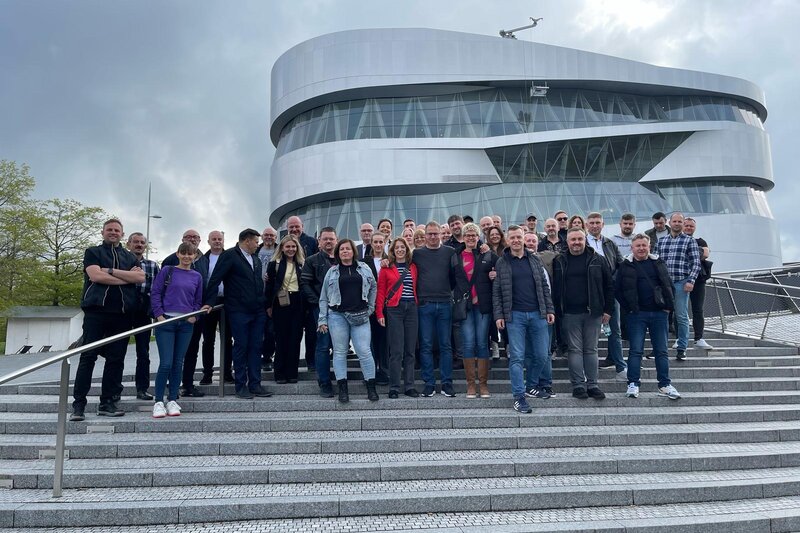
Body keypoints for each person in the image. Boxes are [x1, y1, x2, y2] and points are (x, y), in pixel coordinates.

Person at [71, 219, 144, 421]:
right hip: (96, 312)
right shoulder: (93, 252)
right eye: (109, 230)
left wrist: (109, 271)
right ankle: (78, 405)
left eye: (117, 230)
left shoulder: (129, 257)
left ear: (122, 234)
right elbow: (95, 276)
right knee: (88, 357)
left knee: (116, 360)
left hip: (121, 314)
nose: (113, 233)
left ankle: (108, 403)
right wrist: (124, 278)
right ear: (103, 232)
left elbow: (139, 278)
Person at [203, 229, 273, 399]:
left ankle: (255, 384)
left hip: (257, 310)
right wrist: (209, 302)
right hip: (238, 310)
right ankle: (241, 386)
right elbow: (215, 279)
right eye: (256, 242)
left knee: (256, 347)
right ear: (247, 241)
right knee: (241, 346)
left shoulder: (255, 259)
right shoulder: (229, 255)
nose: (258, 245)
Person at [492, 225, 555, 413]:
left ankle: (532, 385)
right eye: (512, 238)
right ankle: (519, 396)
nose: (516, 240)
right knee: (517, 357)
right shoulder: (502, 263)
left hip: (538, 314)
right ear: (508, 240)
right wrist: (499, 315)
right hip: (515, 316)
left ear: (524, 239)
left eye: (519, 237)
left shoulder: (534, 260)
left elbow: (544, 286)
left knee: (543, 354)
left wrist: (549, 309)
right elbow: (497, 292)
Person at [616, 234, 681, 400]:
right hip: (636, 315)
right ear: (632, 248)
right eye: (637, 245)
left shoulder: (658, 263)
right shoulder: (625, 266)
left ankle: (664, 384)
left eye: (644, 245)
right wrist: (629, 308)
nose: (641, 248)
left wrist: (668, 308)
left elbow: (668, 286)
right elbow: (617, 289)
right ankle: (633, 383)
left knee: (661, 351)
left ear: (649, 246)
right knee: (636, 350)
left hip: (659, 313)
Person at [552, 227, 614, 400]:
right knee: (575, 350)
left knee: (591, 349)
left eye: (579, 239)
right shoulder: (560, 260)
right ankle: (578, 385)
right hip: (569, 313)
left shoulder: (598, 259)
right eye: (573, 240)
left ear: (585, 240)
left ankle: (593, 385)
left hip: (593, 312)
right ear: (567, 242)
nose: (576, 243)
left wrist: (608, 310)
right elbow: (556, 288)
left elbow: (609, 286)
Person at [318, 239, 379, 403]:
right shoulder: (332, 272)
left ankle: (371, 387)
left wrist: (371, 307)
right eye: (342, 249)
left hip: (361, 316)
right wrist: (322, 319)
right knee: (339, 352)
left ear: (353, 251)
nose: (345, 251)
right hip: (337, 316)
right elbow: (324, 298)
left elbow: (374, 287)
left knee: (364, 351)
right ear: (338, 253)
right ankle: (342, 389)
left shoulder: (364, 268)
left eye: (348, 249)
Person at [150, 243, 203, 418]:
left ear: (195, 256)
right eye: (184, 253)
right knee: (166, 362)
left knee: (178, 363)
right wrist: (159, 315)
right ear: (178, 254)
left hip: (185, 323)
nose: (187, 256)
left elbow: (198, 299)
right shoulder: (168, 270)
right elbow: (156, 292)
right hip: (166, 321)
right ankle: (158, 401)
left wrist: (194, 316)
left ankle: (172, 399)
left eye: (191, 254)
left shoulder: (197, 276)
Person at [412, 221, 457, 397]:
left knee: (446, 345)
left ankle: (447, 383)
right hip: (425, 304)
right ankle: (429, 383)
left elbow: (454, 277)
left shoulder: (450, 252)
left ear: (440, 234)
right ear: (425, 236)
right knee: (426, 345)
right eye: (429, 234)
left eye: (435, 234)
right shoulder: (417, 254)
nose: (432, 237)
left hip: (445, 302)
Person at [454, 223, 497, 398]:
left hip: (482, 305)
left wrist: (494, 275)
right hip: (465, 306)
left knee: (481, 343)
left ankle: (484, 384)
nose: (471, 238)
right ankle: (471, 385)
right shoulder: (456, 255)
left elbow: (499, 268)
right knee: (468, 343)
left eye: (474, 235)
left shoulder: (487, 254)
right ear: (463, 237)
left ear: (478, 237)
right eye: (468, 235)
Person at [585, 212, 626, 381]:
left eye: (598, 222)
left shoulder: (610, 243)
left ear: (603, 224)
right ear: (587, 225)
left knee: (614, 330)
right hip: (588, 293)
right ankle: (588, 368)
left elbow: (620, 264)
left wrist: (612, 280)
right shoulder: (582, 242)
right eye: (592, 223)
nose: (595, 225)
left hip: (609, 290)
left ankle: (620, 365)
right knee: (589, 332)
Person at [376, 237, 418, 398]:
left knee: (410, 350)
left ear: (407, 250)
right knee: (396, 350)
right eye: (397, 248)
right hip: (394, 309)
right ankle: (394, 387)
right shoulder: (386, 268)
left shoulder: (413, 267)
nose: (400, 250)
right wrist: (379, 313)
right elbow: (380, 292)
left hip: (412, 309)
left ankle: (409, 386)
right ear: (392, 251)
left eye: (403, 247)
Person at [656, 212, 701, 361]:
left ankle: (682, 347)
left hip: (681, 282)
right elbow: (656, 262)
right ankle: (660, 347)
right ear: (669, 222)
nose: (676, 224)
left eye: (679, 222)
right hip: (664, 284)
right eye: (674, 221)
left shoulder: (689, 241)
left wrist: (691, 281)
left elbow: (696, 263)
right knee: (662, 315)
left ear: (682, 224)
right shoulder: (661, 241)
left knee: (681, 315)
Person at [300, 227, 338, 397]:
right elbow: (305, 284)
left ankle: (340, 377)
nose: (328, 242)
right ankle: (324, 382)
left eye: (331, 239)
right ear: (319, 241)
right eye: (325, 239)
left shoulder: (344, 258)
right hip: (321, 310)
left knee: (340, 346)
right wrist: (317, 302)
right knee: (322, 345)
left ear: (336, 240)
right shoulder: (312, 260)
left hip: (342, 310)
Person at [192, 231, 232, 389]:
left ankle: (227, 372)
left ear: (223, 241)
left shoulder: (230, 256)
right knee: (208, 339)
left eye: (219, 239)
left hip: (228, 301)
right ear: (208, 241)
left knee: (228, 340)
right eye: (214, 239)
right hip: (208, 302)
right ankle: (207, 373)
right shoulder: (202, 259)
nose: (217, 241)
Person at [265, 235, 306, 384]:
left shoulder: (301, 263)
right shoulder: (274, 264)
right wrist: (268, 306)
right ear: (282, 248)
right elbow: (269, 288)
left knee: (295, 339)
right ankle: (280, 373)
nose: (291, 249)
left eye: (293, 247)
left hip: (297, 303)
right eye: (288, 246)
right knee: (281, 338)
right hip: (280, 303)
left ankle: (292, 373)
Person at [126, 232, 159, 401]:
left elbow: (158, 290)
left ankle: (142, 388)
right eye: (136, 242)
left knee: (143, 352)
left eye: (142, 242)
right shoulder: (121, 262)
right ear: (128, 244)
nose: (139, 245)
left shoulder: (152, 266)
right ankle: (114, 389)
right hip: (123, 310)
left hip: (143, 311)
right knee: (116, 352)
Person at [287, 215, 318, 368]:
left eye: (296, 226)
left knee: (312, 331)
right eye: (291, 227)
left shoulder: (312, 242)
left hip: (311, 293)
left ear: (302, 227)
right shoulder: (285, 243)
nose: (294, 229)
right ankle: (292, 363)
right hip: (294, 295)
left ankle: (311, 360)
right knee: (295, 332)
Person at [683, 217, 714, 350]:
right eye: (687, 225)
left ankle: (699, 338)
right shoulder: (677, 240)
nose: (689, 228)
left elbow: (705, 254)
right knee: (680, 310)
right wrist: (697, 251)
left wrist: (689, 253)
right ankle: (680, 338)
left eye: (691, 226)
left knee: (698, 309)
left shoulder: (700, 240)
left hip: (698, 279)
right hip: (681, 278)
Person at [365, 232, 390, 385]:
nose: (378, 245)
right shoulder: (364, 262)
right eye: (376, 242)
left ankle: (384, 372)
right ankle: (371, 372)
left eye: (381, 242)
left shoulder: (390, 260)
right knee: (369, 341)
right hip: (369, 306)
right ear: (371, 244)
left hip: (387, 307)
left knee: (384, 340)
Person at [257, 228, 278, 372]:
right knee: (258, 329)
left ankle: (267, 357)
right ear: (262, 237)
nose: (269, 237)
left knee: (271, 330)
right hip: (256, 295)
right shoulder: (255, 251)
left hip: (273, 296)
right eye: (266, 235)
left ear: (276, 237)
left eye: (271, 235)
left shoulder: (279, 251)